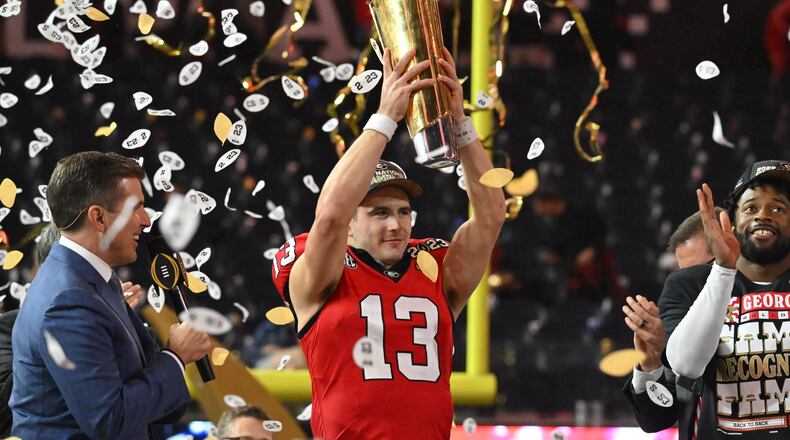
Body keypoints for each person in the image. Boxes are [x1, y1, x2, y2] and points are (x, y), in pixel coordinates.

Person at [271, 47, 505, 439]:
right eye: (379, 213)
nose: (396, 223)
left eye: (402, 211)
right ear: (351, 225)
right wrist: (384, 119)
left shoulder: (433, 267)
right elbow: (329, 215)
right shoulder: (322, 274)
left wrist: (460, 123)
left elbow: (492, 214)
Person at [10, 151, 212, 439]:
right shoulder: (70, 299)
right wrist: (175, 357)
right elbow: (109, 420)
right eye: (136, 208)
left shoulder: (88, 280)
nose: (145, 220)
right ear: (99, 217)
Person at [659, 160, 790, 438]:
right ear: (732, 221)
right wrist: (723, 269)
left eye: (778, 208)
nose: (763, 215)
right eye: (751, 207)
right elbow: (685, 364)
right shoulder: (689, 283)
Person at [621, 208, 721, 433]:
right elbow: (655, 419)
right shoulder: (678, 321)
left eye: (700, 272)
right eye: (682, 274)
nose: (688, 285)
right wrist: (652, 361)